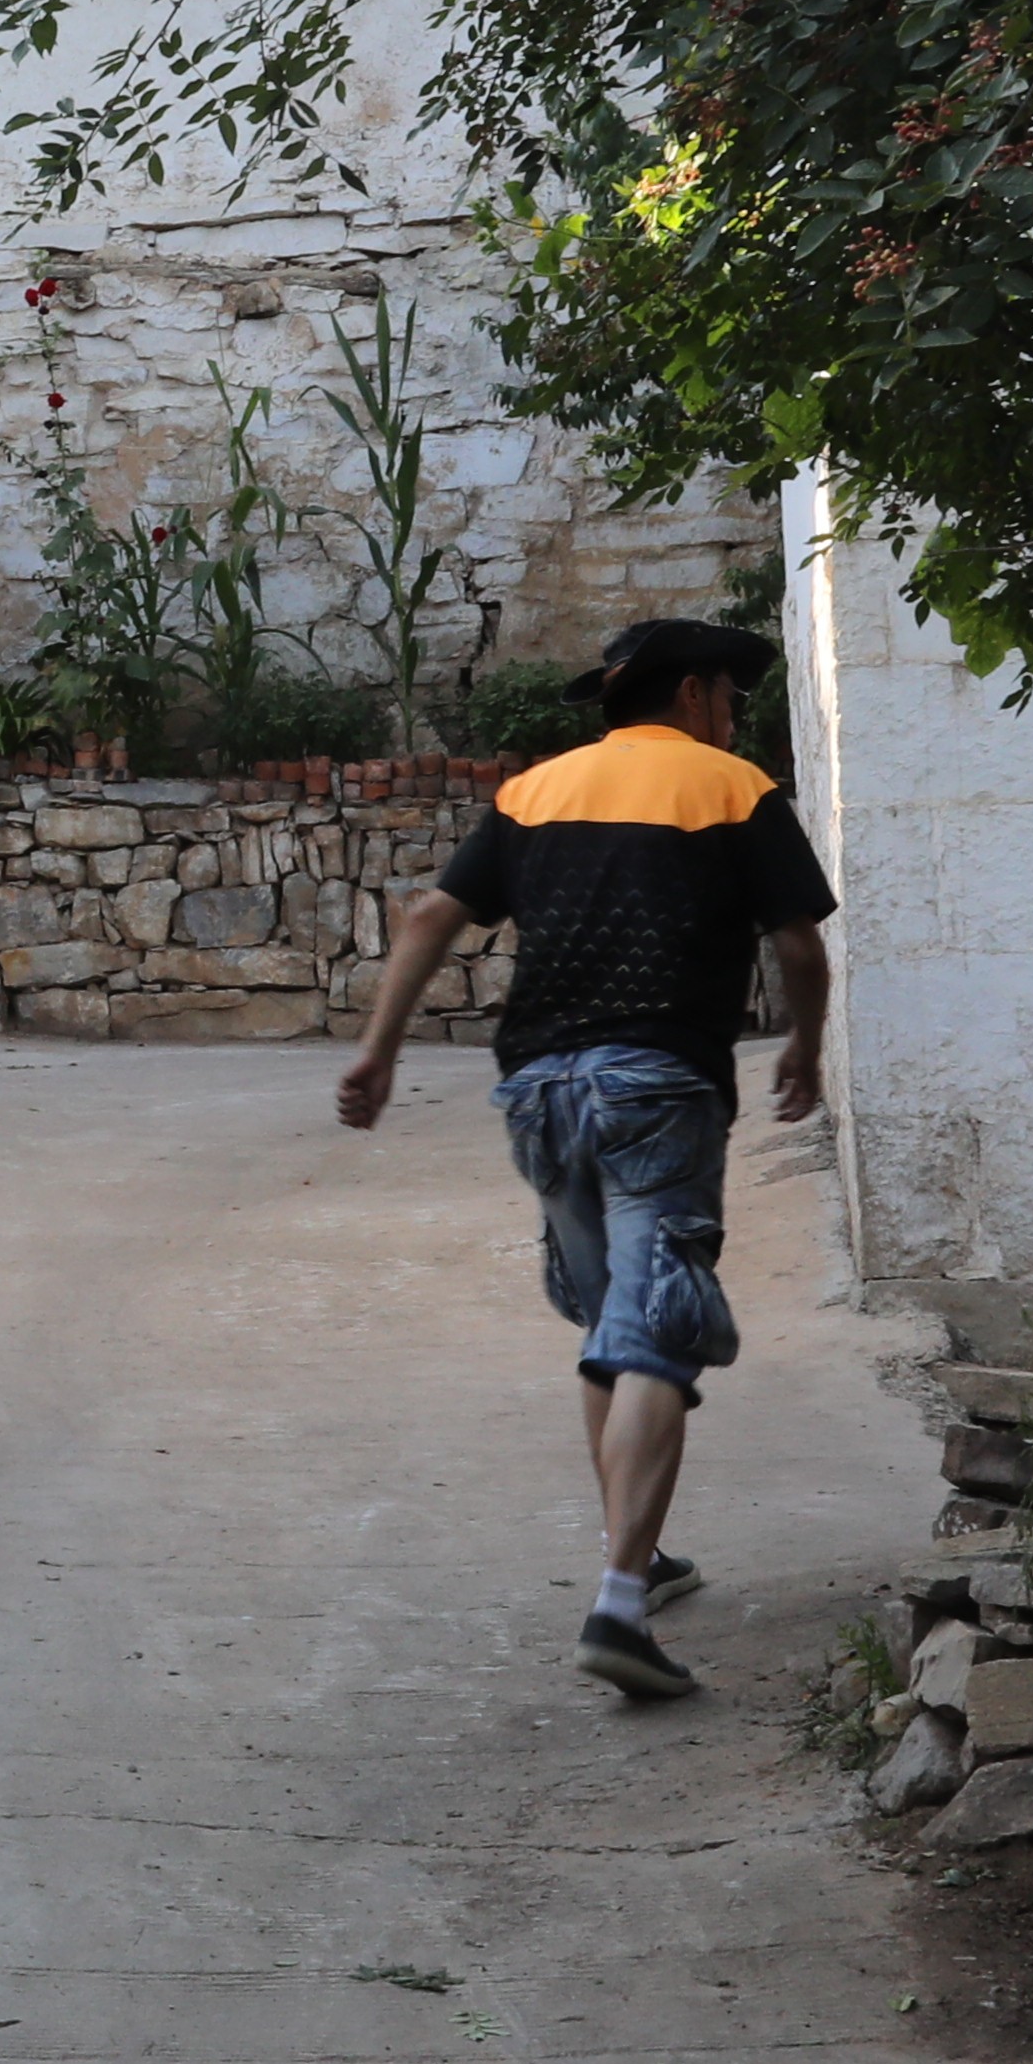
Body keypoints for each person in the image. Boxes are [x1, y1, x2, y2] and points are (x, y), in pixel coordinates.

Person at [332, 615, 835, 1703]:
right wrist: (806, 1041)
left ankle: (640, 1556)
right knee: (655, 1328)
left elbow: (430, 914)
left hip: (540, 1093)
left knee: (615, 1321)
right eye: (731, 698)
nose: (736, 716)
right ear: (697, 695)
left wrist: (377, 1053)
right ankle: (615, 1602)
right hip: (658, 1082)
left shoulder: (536, 791)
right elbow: (797, 939)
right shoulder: (730, 785)